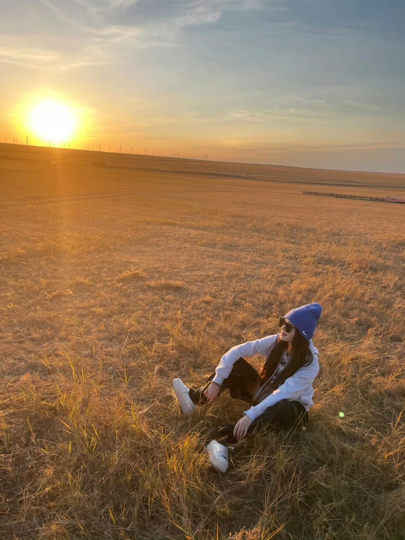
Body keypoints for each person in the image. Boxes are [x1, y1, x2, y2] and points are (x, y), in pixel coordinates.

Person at [172, 303, 322, 473]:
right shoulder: (277, 341)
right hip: (264, 394)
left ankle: (223, 444)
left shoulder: (310, 363)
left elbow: (284, 393)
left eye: (288, 326)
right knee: (237, 365)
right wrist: (217, 381)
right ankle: (195, 400)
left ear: (301, 334)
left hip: (289, 409)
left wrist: (251, 415)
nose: (283, 328)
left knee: (282, 407)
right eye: (282, 322)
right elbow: (238, 350)